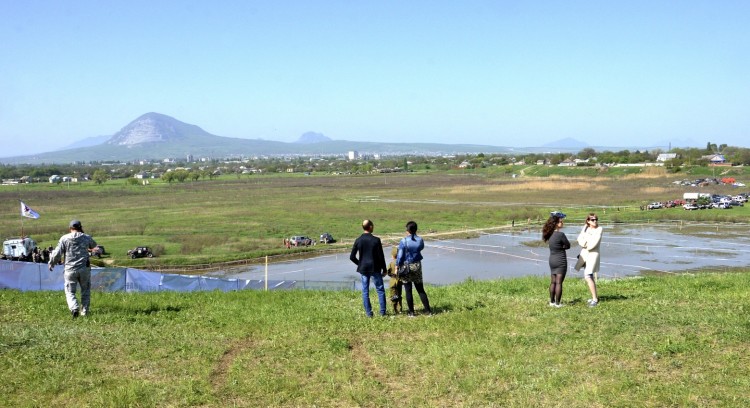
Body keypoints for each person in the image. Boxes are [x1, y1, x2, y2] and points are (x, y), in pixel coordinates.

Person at [48, 219, 97, 318]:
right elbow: (94, 246)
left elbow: (57, 253)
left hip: (70, 269)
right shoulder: (87, 237)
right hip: (84, 269)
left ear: (70, 228)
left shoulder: (64, 238)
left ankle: (74, 308)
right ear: (80, 227)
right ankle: (85, 312)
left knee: (70, 291)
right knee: (85, 290)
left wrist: (51, 263)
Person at [349, 219, 387, 317]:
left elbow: (352, 257)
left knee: (365, 291)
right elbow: (381, 256)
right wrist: (385, 269)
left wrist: (360, 264)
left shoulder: (358, 240)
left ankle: (369, 313)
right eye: (373, 225)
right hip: (375, 268)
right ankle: (382, 312)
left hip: (364, 269)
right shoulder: (376, 240)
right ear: (370, 227)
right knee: (380, 289)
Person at [396, 220, 432, 317]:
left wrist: (397, 266)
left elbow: (400, 256)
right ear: (416, 229)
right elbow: (421, 248)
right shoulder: (420, 240)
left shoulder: (403, 241)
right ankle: (428, 311)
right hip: (417, 265)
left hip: (406, 266)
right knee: (420, 289)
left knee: (408, 290)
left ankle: (411, 312)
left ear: (407, 230)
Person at [542, 211, 570, 307]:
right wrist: (563, 247)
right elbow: (568, 245)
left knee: (553, 281)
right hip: (560, 260)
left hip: (552, 260)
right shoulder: (561, 235)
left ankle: (552, 302)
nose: (562, 223)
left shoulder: (549, 235)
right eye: (561, 222)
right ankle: (558, 304)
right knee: (559, 282)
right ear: (556, 224)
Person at [577, 213, 603, 307]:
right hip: (585, 254)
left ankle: (595, 300)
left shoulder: (599, 229)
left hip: (593, 255)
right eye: (592, 220)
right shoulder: (585, 228)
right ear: (588, 221)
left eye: (596, 219)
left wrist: (585, 242)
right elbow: (579, 238)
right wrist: (585, 242)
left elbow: (593, 244)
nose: (595, 221)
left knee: (588, 275)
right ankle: (594, 297)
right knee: (589, 276)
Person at [385, 246, 403, 314]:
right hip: (400, 281)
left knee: (393, 296)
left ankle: (394, 309)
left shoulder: (391, 263)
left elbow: (388, 272)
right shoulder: (401, 263)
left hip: (392, 281)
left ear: (392, 256)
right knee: (399, 295)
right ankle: (400, 308)